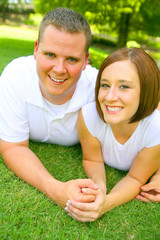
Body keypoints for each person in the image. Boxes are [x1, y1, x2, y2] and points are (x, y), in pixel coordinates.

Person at [0, 7, 99, 209]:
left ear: (85, 61)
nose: (59, 69)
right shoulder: (16, 75)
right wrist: (56, 189)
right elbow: (13, 146)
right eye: (50, 54)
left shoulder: (99, 86)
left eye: (72, 59)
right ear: (36, 49)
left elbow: (151, 105)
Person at [64, 47, 160, 222]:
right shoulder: (88, 116)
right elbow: (93, 159)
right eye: (105, 85)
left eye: (124, 86)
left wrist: (106, 203)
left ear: (145, 90)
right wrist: (99, 186)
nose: (110, 97)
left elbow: (136, 177)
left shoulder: (156, 128)